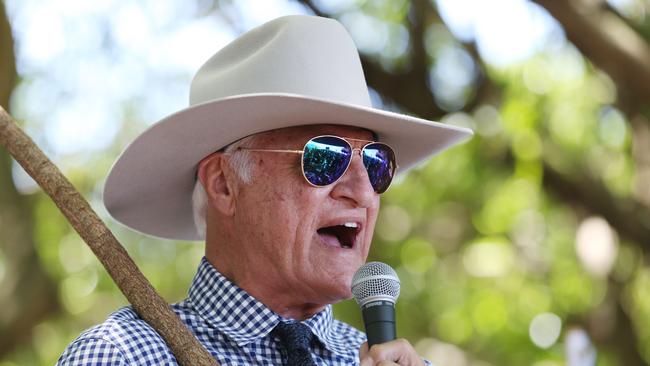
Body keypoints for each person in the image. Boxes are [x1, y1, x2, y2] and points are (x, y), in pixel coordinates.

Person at [57, 15, 472, 365]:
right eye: (326, 158)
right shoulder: (123, 357)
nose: (363, 191)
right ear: (223, 184)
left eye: (377, 163)